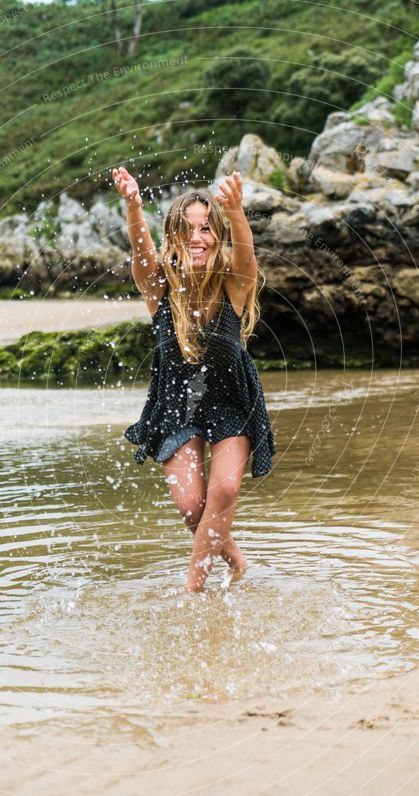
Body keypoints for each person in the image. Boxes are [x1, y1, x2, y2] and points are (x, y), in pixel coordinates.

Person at [112, 165, 276, 592]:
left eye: (206, 229)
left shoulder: (233, 286)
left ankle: (193, 588)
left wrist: (236, 212)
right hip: (176, 403)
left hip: (230, 402)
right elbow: (141, 250)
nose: (198, 238)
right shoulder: (159, 289)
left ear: (217, 236)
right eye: (187, 230)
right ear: (173, 237)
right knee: (190, 506)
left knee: (223, 492)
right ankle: (235, 559)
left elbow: (247, 256)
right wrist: (133, 206)